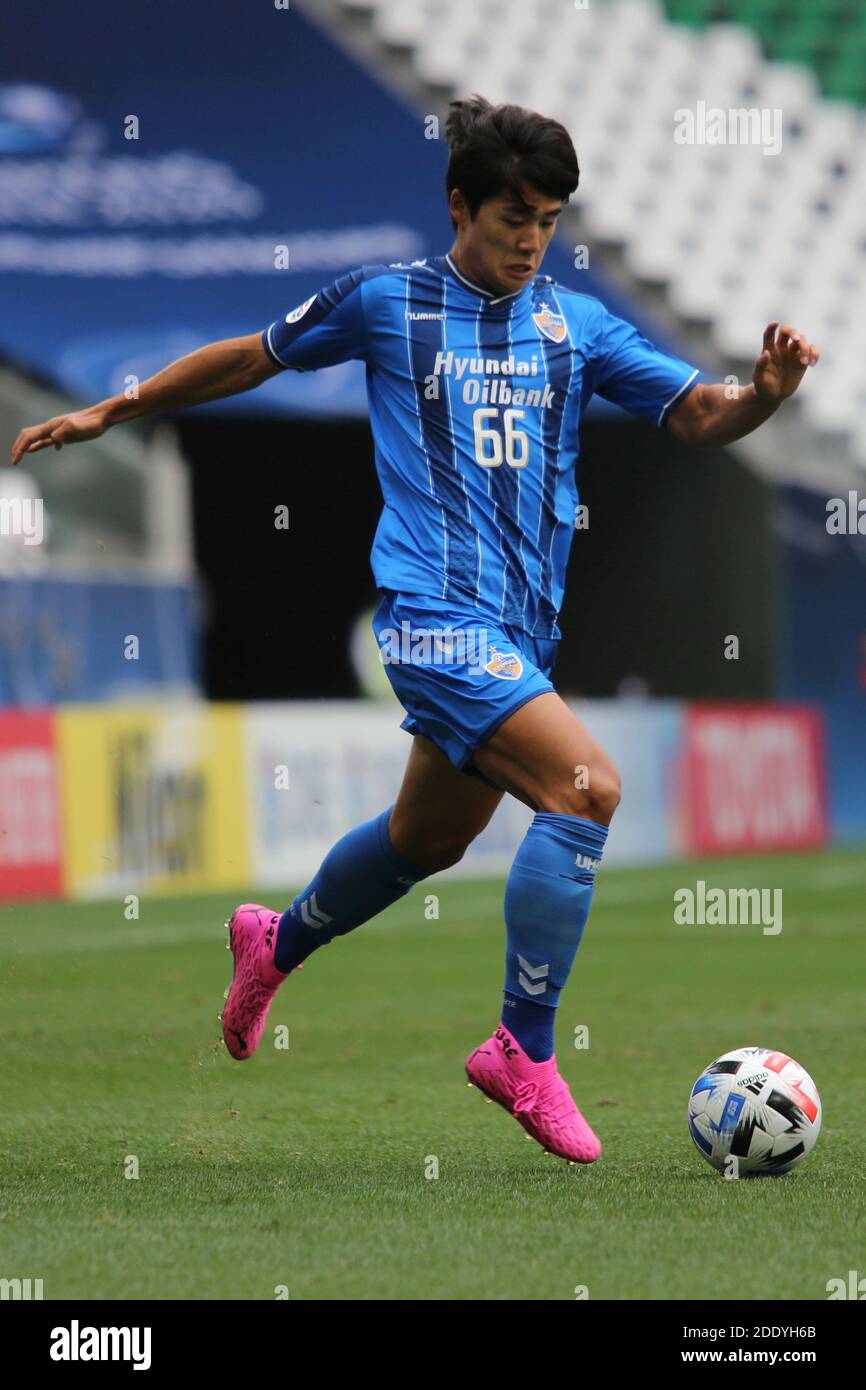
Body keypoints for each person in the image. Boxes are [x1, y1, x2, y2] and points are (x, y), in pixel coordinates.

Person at [11, 95, 819, 1165]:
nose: (531, 239)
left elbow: (699, 415)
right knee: (585, 792)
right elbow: (251, 356)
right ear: (459, 206)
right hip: (432, 619)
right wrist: (115, 411)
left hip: (517, 632)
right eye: (512, 217)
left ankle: (273, 940)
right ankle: (520, 1050)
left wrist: (762, 395)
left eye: (547, 219)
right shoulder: (387, 306)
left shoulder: (573, 326)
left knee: (426, 840)